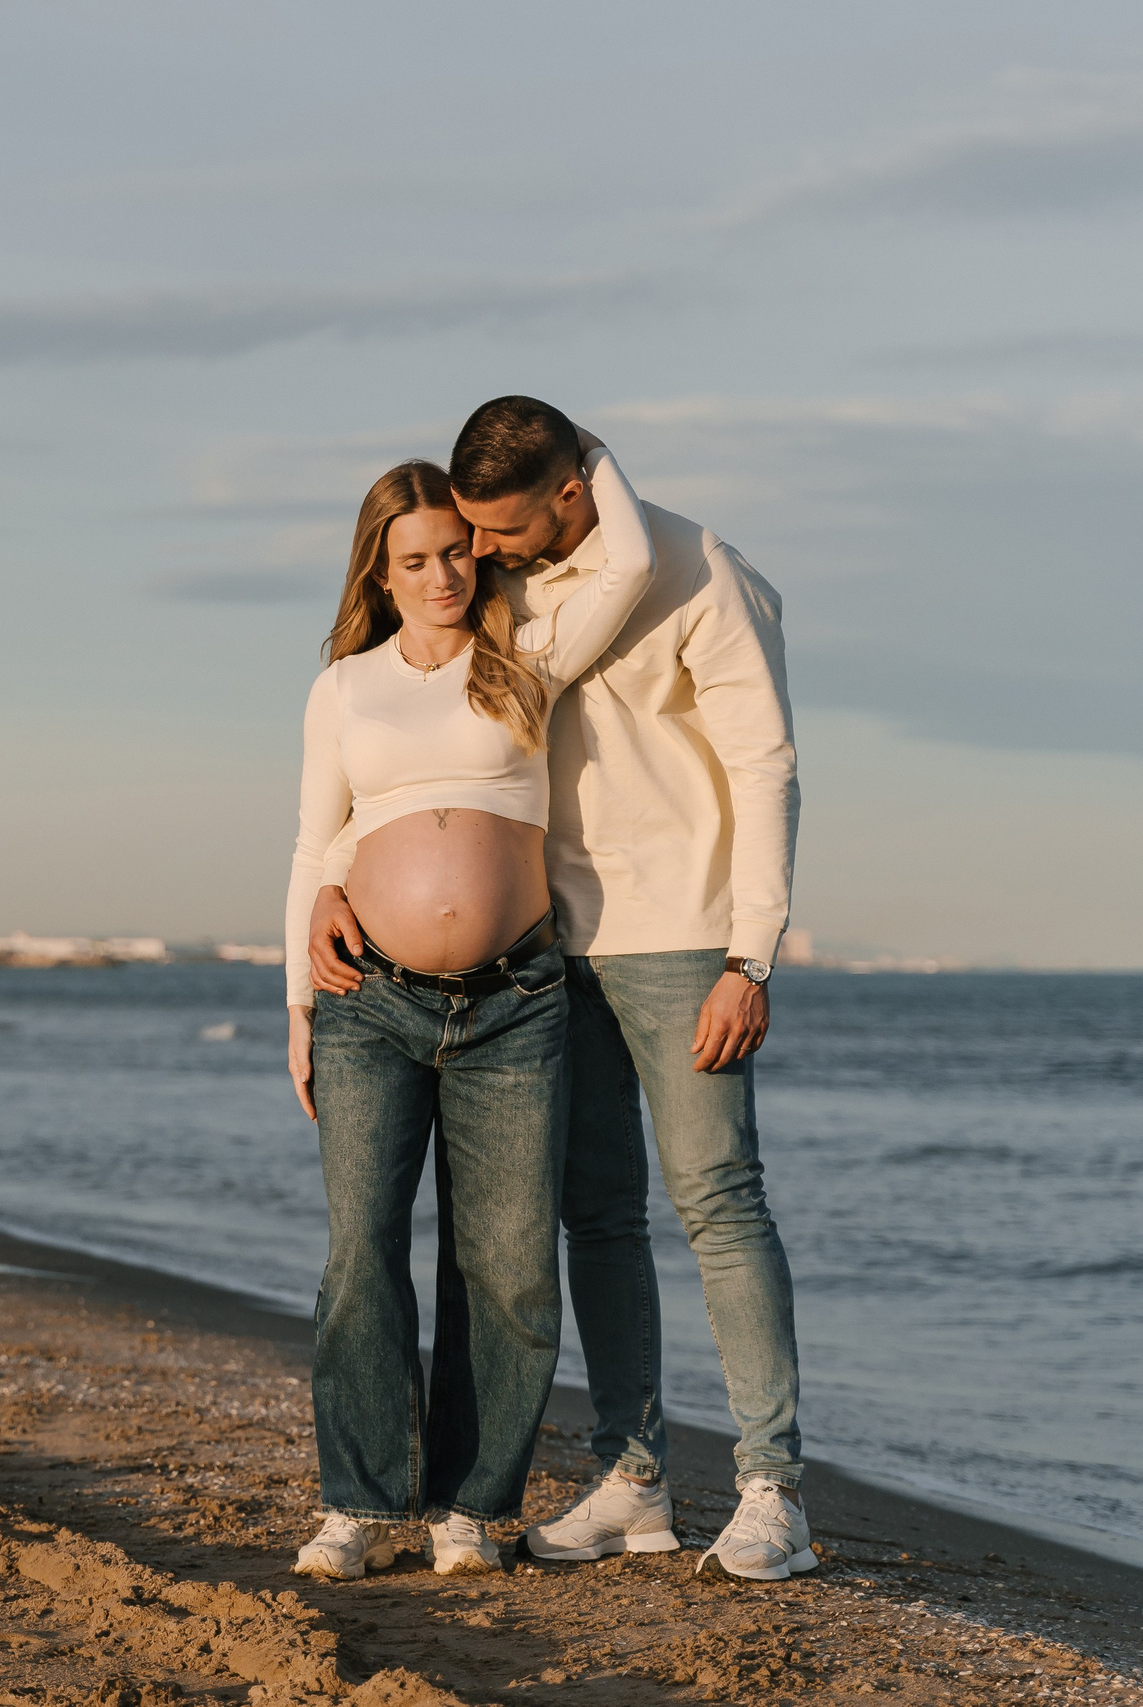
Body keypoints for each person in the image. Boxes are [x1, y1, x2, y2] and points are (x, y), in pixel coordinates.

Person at [308, 395, 809, 1580]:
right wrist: (340, 881)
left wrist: (753, 954)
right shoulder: (500, 591)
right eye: (466, 536)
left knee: (716, 1200)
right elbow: (414, 761)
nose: (480, 554)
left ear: (575, 492)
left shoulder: (698, 570)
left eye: (502, 528)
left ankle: (771, 1486)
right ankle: (634, 1478)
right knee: (595, 1216)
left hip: (681, 935)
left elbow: (767, 763)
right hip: (543, 955)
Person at [284, 440, 653, 1580]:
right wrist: (297, 1006)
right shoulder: (346, 686)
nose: (441, 576)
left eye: (456, 551)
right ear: (377, 574)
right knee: (362, 1254)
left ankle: (465, 1507)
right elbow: (312, 843)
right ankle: (355, 1501)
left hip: (515, 1007)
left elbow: (629, 562)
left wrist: (577, 451)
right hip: (370, 1006)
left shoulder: (529, 653)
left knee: (505, 1268)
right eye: (414, 559)